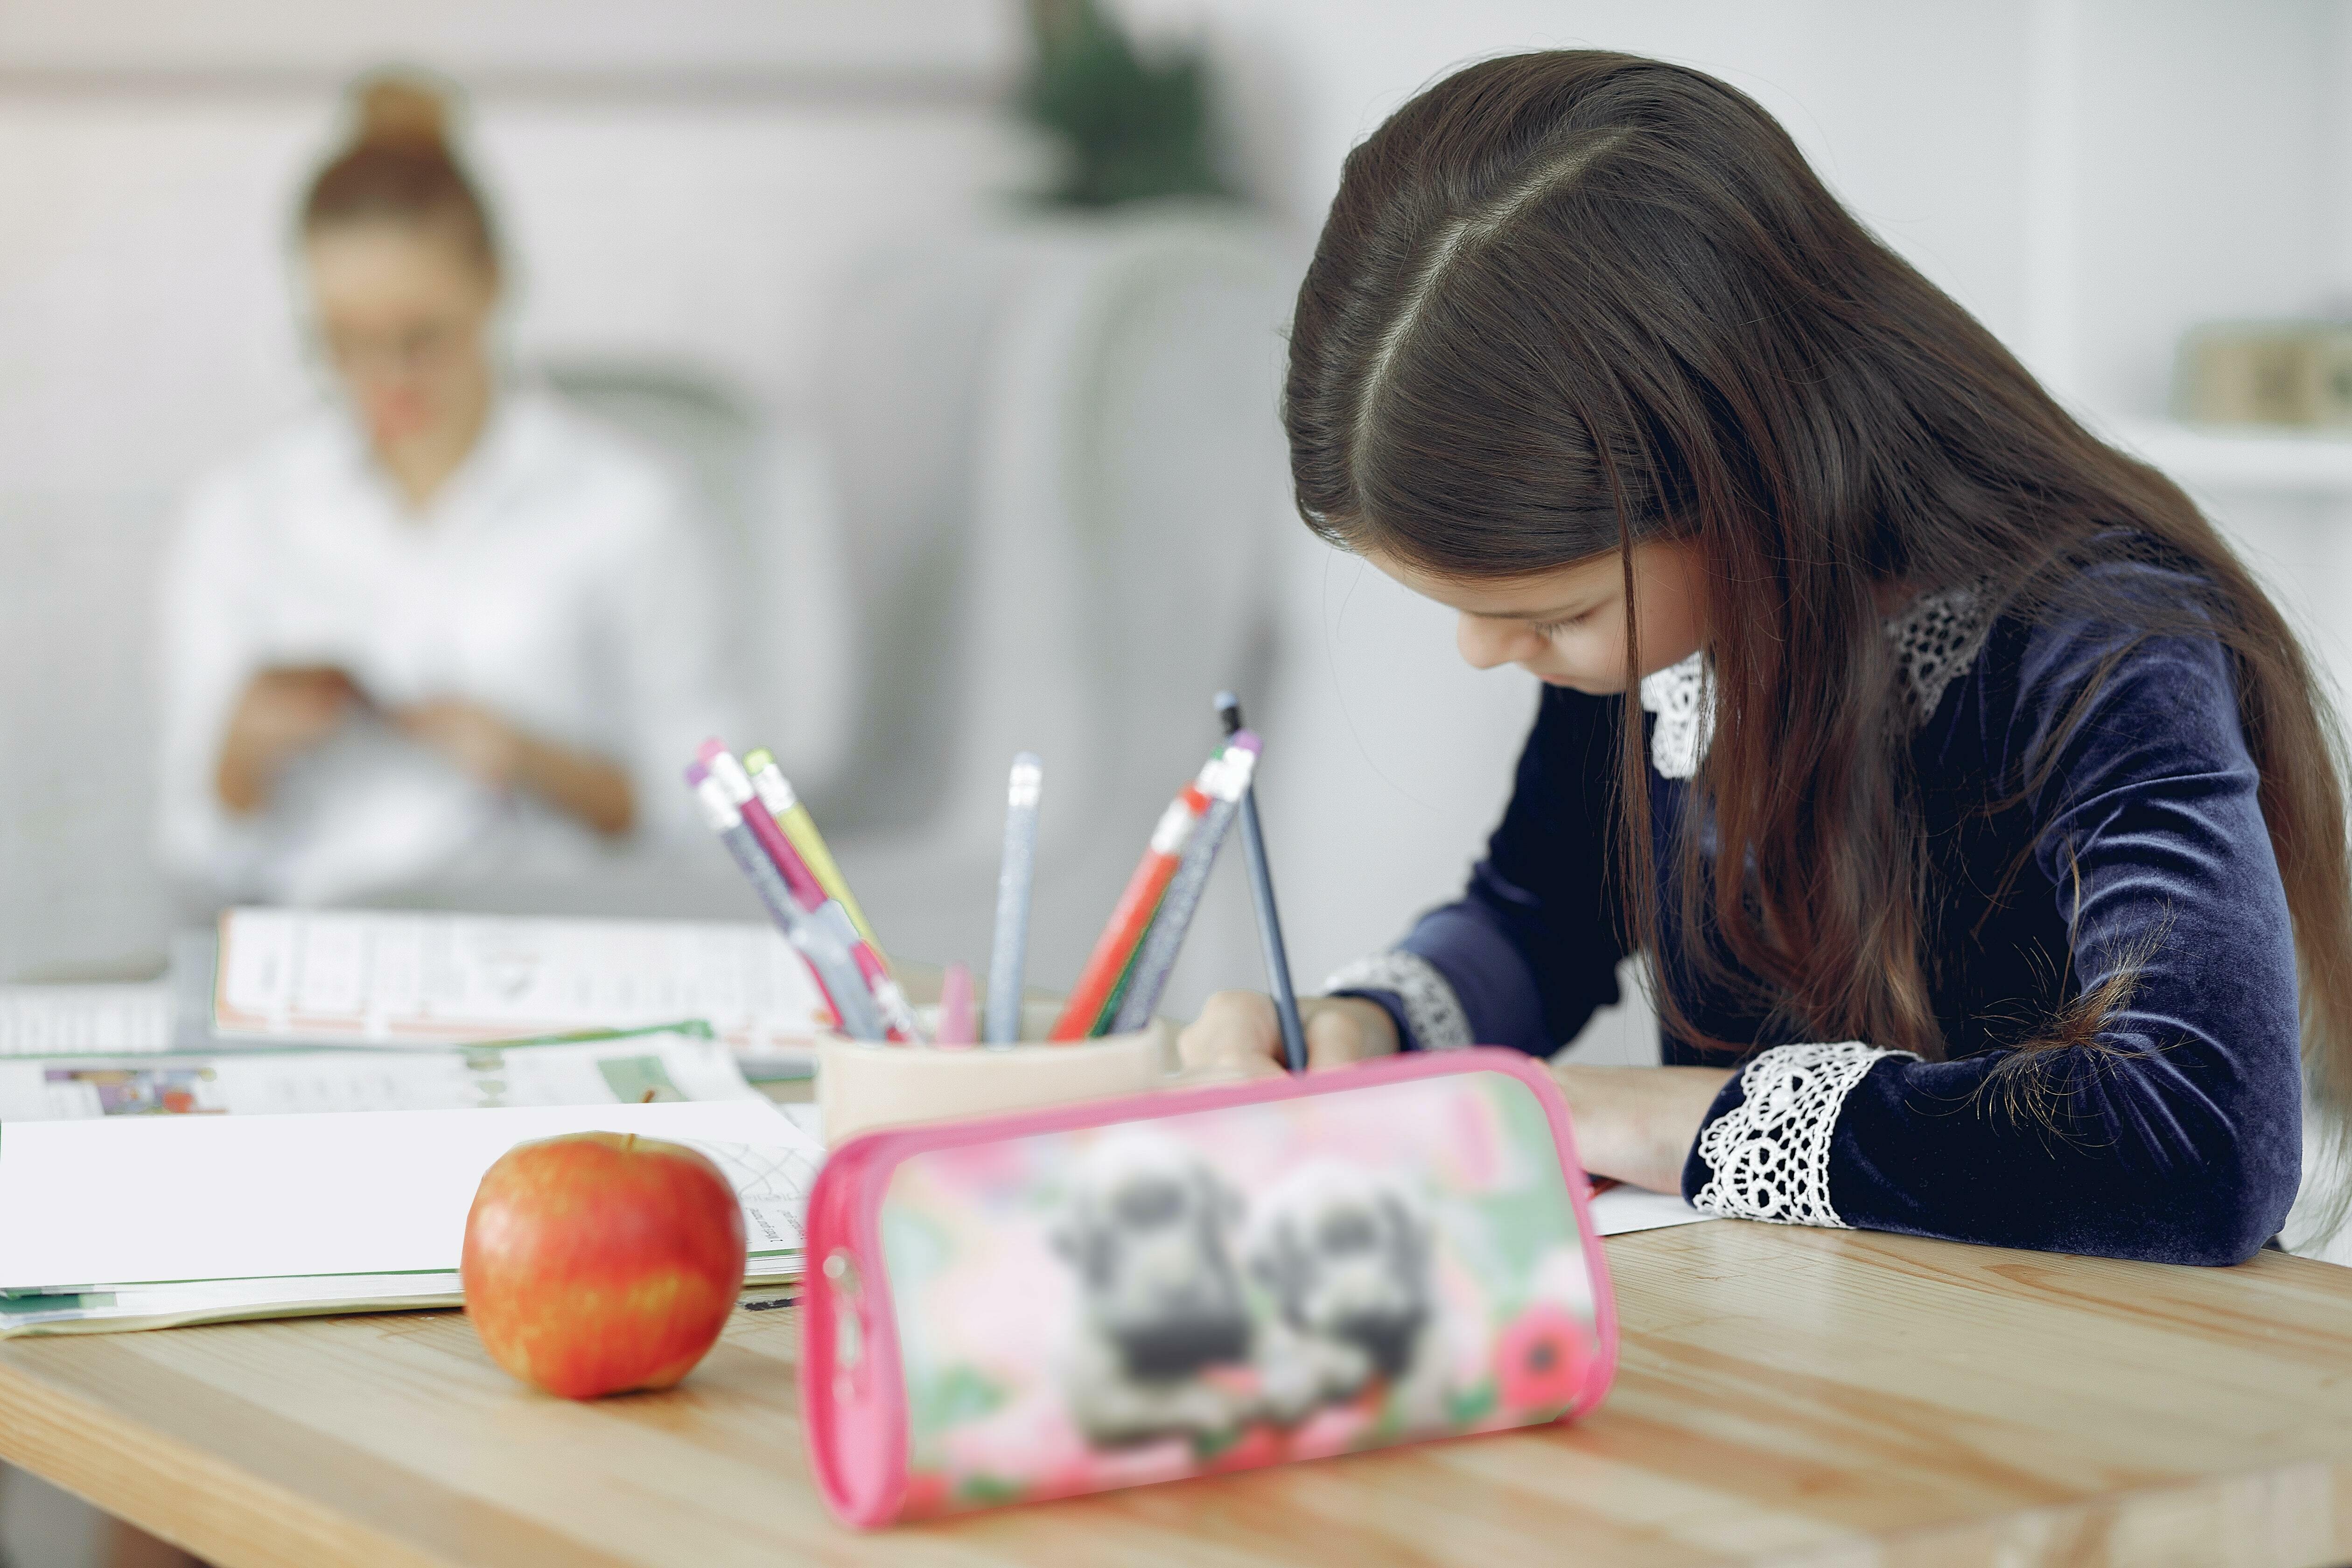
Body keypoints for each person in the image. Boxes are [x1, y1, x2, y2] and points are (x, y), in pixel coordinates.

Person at [1179, 51, 2352, 1266]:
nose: (1489, 656)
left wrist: (1664, 1116)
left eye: (1558, 613)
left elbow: (2198, 1144)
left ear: (1749, 476)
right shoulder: (1671, 631)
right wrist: (1366, 1024)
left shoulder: (2100, 641)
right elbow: (1539, 918)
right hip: (1771, 1361)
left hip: (2052, 1380)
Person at [156, 74, 736, 907]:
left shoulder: (629, 505)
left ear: (493, 284)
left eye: (420, 337)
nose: (388, 379)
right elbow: (187, 845)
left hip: (559, 938)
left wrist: (535, 761)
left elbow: (725, 820)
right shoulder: (243, 513)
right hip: (320, 945)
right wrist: (239, 759)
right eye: (346, 345)